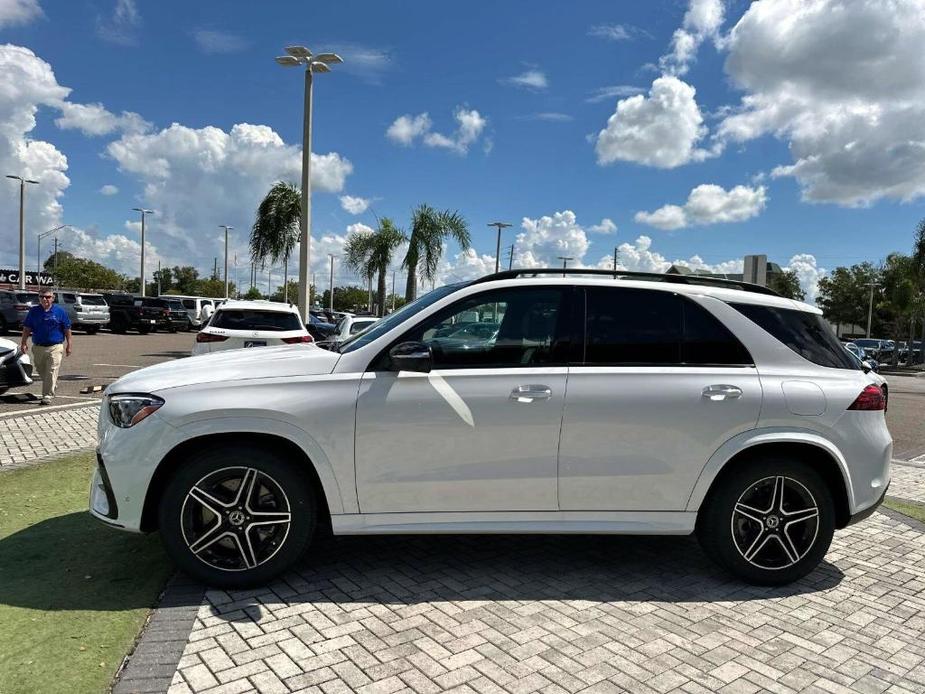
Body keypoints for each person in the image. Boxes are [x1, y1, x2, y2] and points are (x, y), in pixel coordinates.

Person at [20, 289, 72, 405]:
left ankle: (47, 395)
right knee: (40, 370)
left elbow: (67, 329)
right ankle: (52, 385)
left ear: (53, 298)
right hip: (38, 347)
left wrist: (69, 345)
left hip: (55, 346)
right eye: (42, 297)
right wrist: (23, 343)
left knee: (51, 371)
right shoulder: (34, 311)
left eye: (48, 297)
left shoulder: (59, 311)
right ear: (39, 298)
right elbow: (27, 328)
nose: (45, 299)